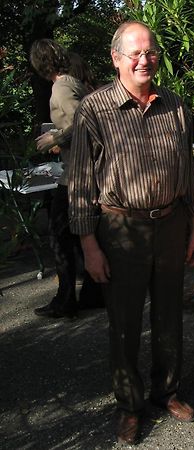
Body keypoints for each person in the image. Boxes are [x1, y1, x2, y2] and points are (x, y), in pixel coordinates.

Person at [68, 21, 194, 445]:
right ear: (116, 59)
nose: (144, 60)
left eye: (150, 52)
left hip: (170, 224)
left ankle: (167, 391)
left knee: (169, 315)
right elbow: (79, 182)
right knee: (124, 322)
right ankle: (130, 405)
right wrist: (89, 244)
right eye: (135, 54)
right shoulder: (93, 109)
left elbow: (188, 171)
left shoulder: (175, 105)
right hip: (120, 229)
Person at [30, 39, 102, 318]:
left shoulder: (61, 88)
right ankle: (91, 294)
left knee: (60, 237)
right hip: (79, 170)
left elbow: (85, 123)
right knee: (80, 234)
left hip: (77, 175)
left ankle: (65, 300)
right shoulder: (72, 82)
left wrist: (55, 137)